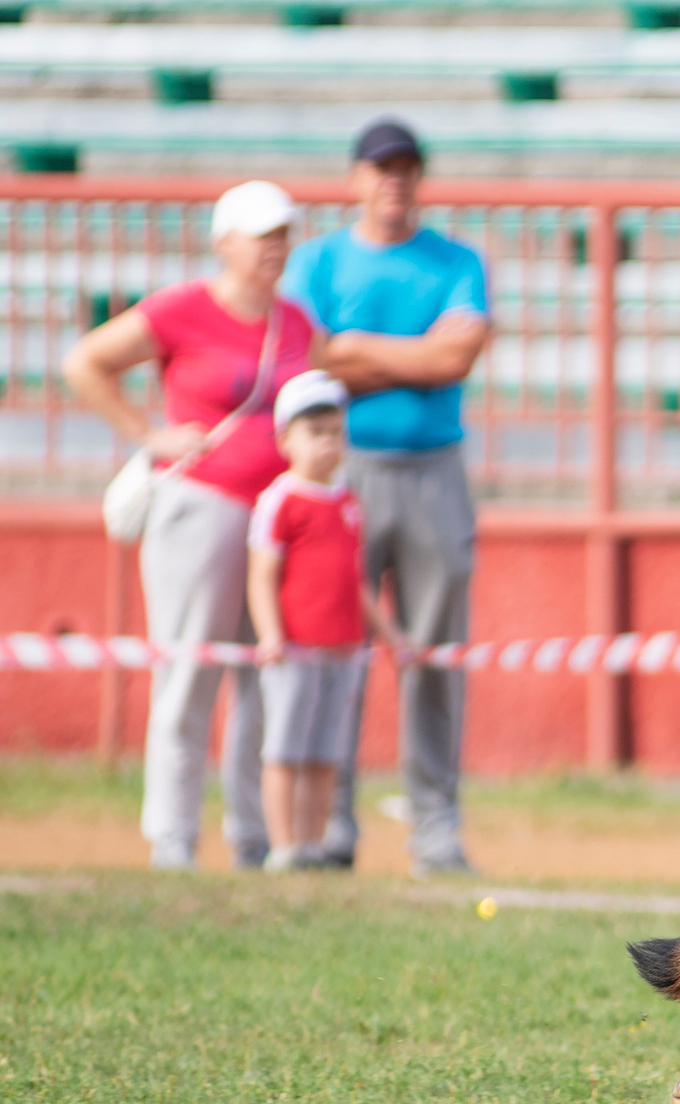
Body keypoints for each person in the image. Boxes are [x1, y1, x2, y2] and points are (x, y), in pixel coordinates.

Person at [63, 179, 321, 872]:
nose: (275, 249)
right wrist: (148, 435)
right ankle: (172, 836)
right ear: (224, 242)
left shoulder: (295, 322)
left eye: (282, 236)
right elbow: (86, 361)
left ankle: (252, 835)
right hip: (200, 508)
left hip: (273, 522)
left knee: (262, 675)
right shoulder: (184, 308)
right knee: (188, 672)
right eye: (262, 236)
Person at [286, 116, 491, 877]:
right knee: (334, 646)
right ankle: (329, 823)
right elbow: (312, 360)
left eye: (406, 167)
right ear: (356, 179)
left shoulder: (457, 260)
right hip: (345, 472)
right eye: (380, 168)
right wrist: (417, 357)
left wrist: (356, 354)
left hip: (435, 469)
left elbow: (456, 356)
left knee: (433, 652)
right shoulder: (318, 262)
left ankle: (434, 826)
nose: (393, 180)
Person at [246, 372, 410, 871]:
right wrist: (272, 633)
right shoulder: (281, 501)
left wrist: (389, 634)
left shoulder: (347, 502)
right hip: (297, 649)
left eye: (336, 433)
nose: (328, 444)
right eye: (315, 432)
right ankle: (283, 844)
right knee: (285, 751)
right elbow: (262, 575)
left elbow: (355, 581)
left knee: (324, 756)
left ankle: (312, 846)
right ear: (286, 440)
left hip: (343, 650)